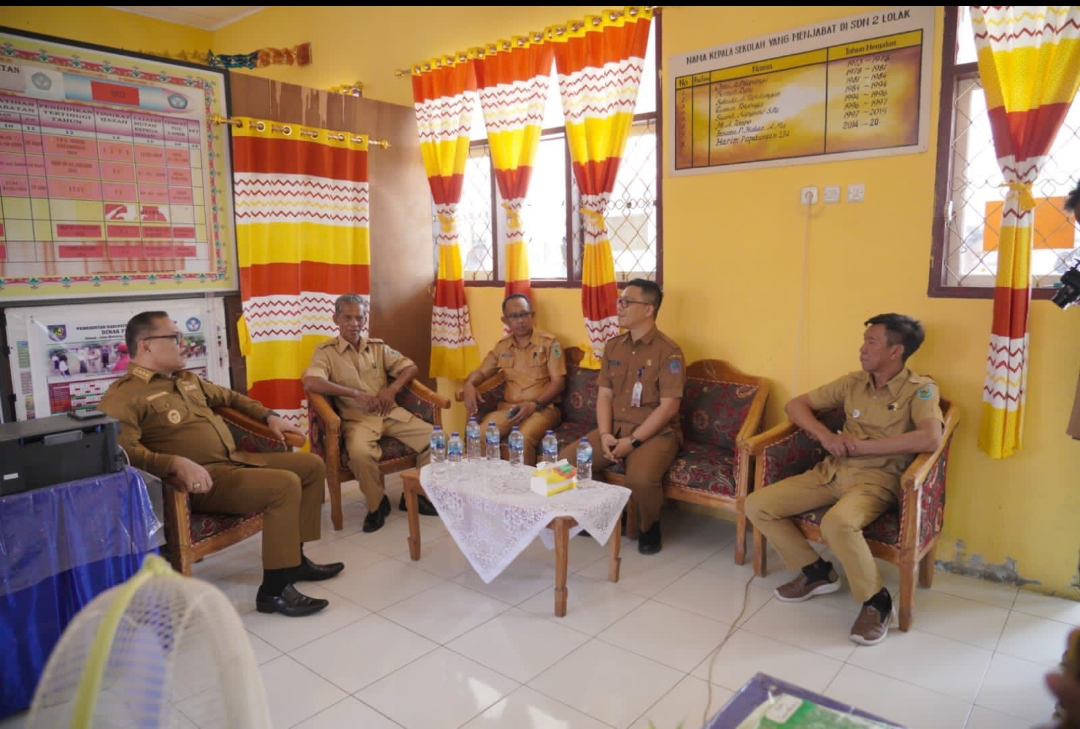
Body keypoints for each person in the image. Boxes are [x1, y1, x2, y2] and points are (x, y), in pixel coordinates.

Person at [98, 311, 339, 618]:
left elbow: (232, 399)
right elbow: (122, 452)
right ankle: (274, 591)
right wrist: (173, 463)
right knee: (284, 485)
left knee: (311, 465)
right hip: (198, 483)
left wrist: (269, 417)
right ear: (145, 346)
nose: (184, 343)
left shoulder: (187, 380)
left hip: (233, 461)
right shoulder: (124, 395)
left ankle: (295, 560)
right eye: (175, 337)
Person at [744, 313, 944, 646]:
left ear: (895, 351)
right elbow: (796, 406)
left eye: (872, 342)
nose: (862, 348)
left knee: (837, 523)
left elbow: (931, 438)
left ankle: (877, 601)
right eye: (864, 341)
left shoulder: (920, 390)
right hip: (833, 470)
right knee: (757, 504)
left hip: (877, 479)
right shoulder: (853, 382)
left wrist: (866, 447)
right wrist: (825, 436)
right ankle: (817, 572)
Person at [557, 278, 685, 555]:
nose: (620, 307)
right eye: (620, 301)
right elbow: (604, 395)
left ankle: (649, 527)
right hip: (614, 428)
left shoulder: (669, 352)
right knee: (566, 463)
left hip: (655, 432)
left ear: (648, 309)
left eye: (628, 302)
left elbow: (668, 407)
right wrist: (604, 434)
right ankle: (614, 513)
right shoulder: (614, 346)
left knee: (640, 480)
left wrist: (633, 442)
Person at [302, 294, 435, 533]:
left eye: (359, 318)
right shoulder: (325, 352)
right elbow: (311, 382)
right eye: (347, 317)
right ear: (336, 319)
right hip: (358, 420)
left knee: (437, 439)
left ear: (365, 319)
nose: (354, 323)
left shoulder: (378, 347)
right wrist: (353, 393)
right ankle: (377, 505)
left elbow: (410, 367)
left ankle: (417, 494)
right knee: (360, 455)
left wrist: (392, 390)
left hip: (389, 414)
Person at [461, 293, 567, 466]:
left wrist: (534, 405)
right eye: (514, 316)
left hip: (542, 409)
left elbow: (558, 382)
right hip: (509, 410)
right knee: (480, 435)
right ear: (505, 320)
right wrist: (469, 384)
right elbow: (482, 372)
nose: (520, 320)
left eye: (524, 314)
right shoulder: (502, 346)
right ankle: (487, 480)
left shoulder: (550, 343)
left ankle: (525, 484)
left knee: (521, 439)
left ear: (532, 315)